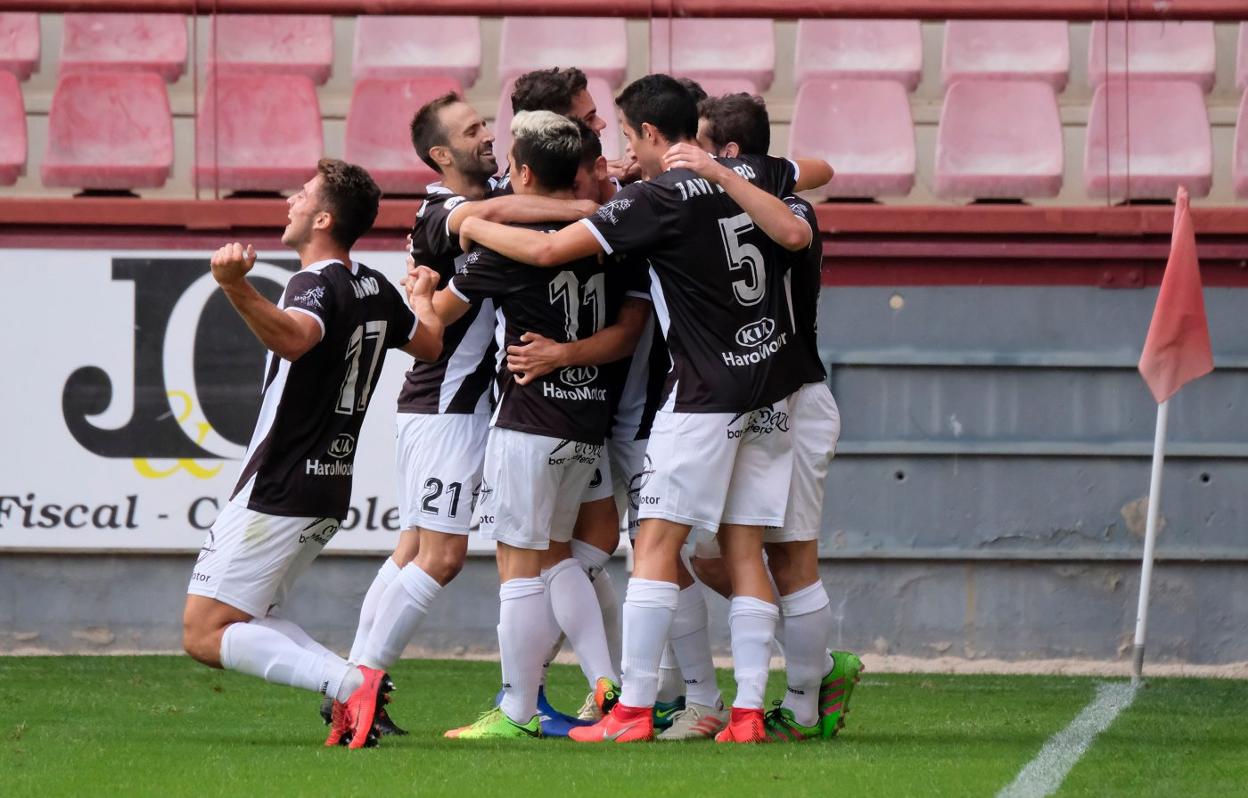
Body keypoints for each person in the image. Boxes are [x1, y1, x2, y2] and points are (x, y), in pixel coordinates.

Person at [457, 74, 829, 743]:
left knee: (656, 544)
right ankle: (748, 710)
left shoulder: (654, 199)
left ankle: (630, 707)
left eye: (624, 133)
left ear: (651, 135)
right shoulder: (750, 171)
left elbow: (545, 251)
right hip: (772, 390)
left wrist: (468, 219)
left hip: (698, 395)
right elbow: (818, 176)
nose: (618, 147)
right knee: (747, 551)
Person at [341, 93, 597, 734]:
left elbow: (508, 203)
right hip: (446, 405)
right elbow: (490, 216)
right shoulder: (444, 209)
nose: (487, 136)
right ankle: (356, 687)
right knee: (444, 557)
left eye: (487, 125)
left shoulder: (482, 200)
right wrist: (587, 211)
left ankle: (354, 684)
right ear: (439, 154)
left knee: (414, 550)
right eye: (471, 131)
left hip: (476, 405)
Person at [180, 158, 444, 750]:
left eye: (301, 195)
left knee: (204, 633)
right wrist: (424, 297)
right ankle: (357, 690)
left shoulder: (314, 282)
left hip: (280, 482)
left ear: (324, 217)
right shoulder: (374, 284)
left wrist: (234, 285)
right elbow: (428, 343)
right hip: (329, 484)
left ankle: (351, 685)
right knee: (248, 621)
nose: (290, 203)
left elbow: (297, 338)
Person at [431, 111, 648, 739]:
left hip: (528, 420)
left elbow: (437, 323)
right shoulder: (611, 236)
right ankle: (607, 680)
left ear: (524, 173)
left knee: (519, 565)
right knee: (558, 561)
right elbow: (629, 331)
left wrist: (421, 288)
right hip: (587, 423)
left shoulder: (505, 249)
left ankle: (517, 711)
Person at [694, 92, 863, 742]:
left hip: (788, 397)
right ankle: (815, 669)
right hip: (769, 399)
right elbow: (814, 168)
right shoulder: (767, 196)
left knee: (786, 560)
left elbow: (799, 198)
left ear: (730, 155)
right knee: (714, 554)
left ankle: (801, 703)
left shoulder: (770, 212)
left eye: (706, 147)